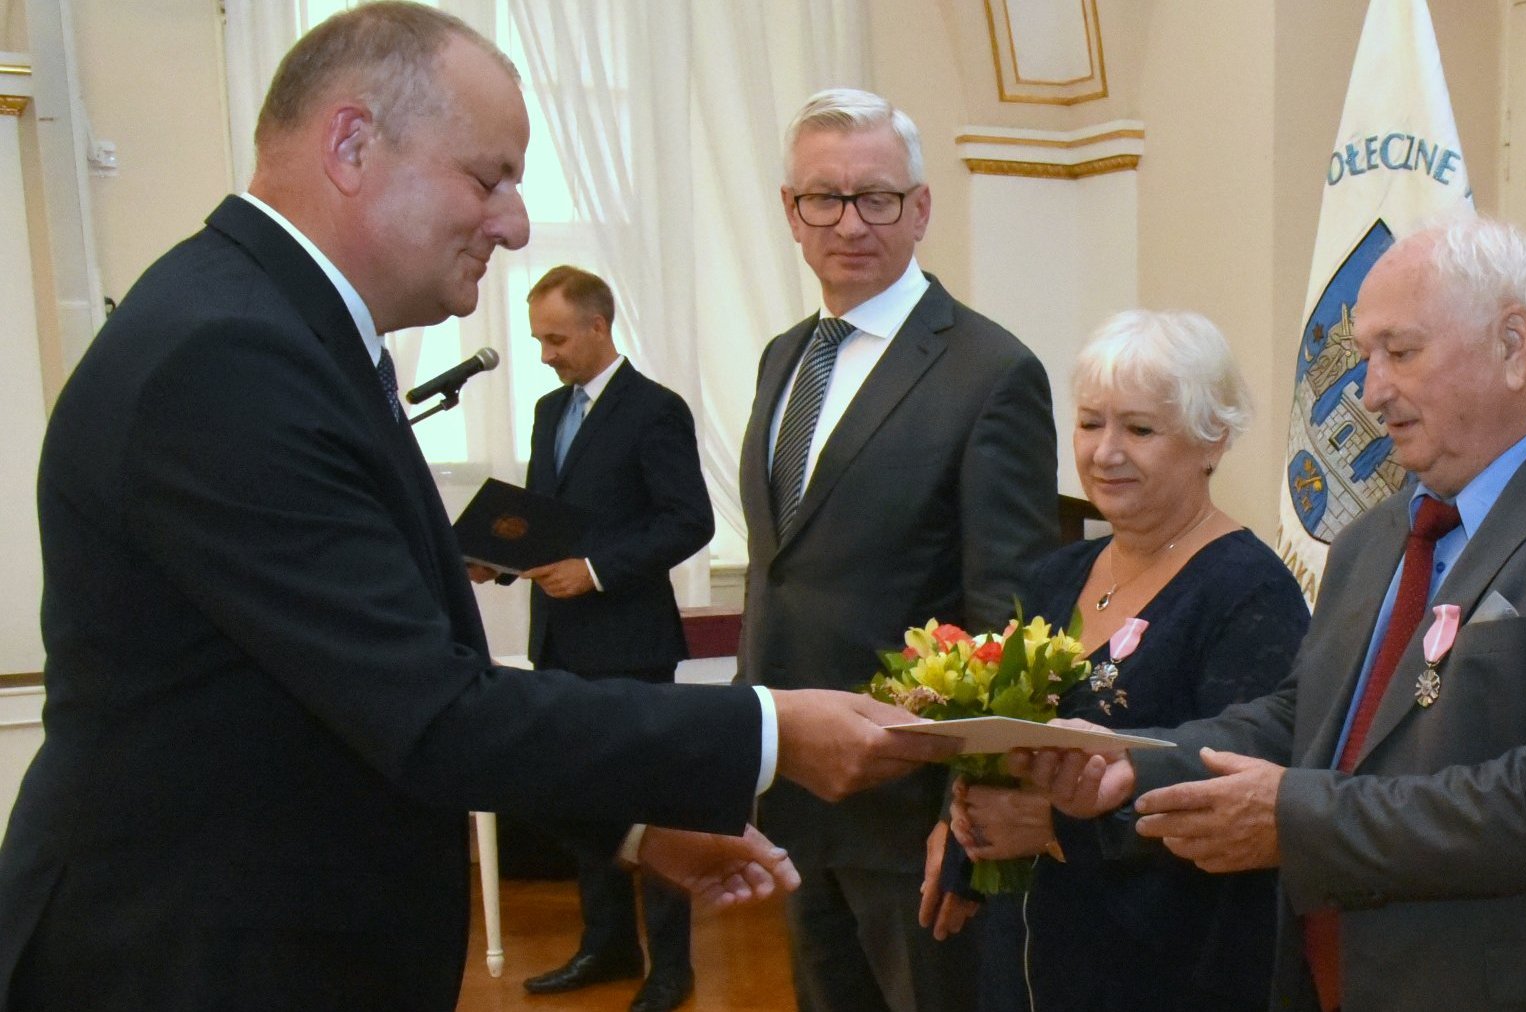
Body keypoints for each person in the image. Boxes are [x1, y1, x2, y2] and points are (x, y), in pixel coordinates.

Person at [0, 7, 950, 1010]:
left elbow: (361, 693)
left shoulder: (280, 331)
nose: (517, 223)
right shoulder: (226, 357)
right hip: (188, 958)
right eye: (489, 176)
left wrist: (627, 827)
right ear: (352, 144)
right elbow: (429, 712)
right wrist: (771, 728)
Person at [1018, 216, 1526, 1012]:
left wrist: (1296, 818)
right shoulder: (1375, 536)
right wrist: (1130, 762)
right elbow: (1304, 718)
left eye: (1401, 352)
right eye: (1365, 356)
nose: (1370, 389)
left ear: (1513, 346)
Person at [738, 88, 1059, 1012]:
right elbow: (782, 579)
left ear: (920, 208)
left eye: (876, 197)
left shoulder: (991, 373)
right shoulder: (782, 356)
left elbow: (1009, 618)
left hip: (912, 818)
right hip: (794, 800)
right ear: (791, 214)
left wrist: (968, 816)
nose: (851, 222)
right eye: (823, 199)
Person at [923, 310, 1308, 1011]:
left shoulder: (1250, 592)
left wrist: (1055, 828)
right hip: (1032, 950)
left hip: (1170, 967)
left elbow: (1236, 794)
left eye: (1139, 429)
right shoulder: (1053, 576)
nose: (1105, 452)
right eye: (1091, 423)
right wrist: (964, 818)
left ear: (1211, 439)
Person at [466, 266, 707, 1008]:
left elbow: (687, 520)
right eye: (539, 338)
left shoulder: (655, 411)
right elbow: (548, 519)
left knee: (650, 804)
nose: (545, 353)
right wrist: (498, 560)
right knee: (584, 795)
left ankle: (671, 967)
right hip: (561, 641)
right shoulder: (547, 410)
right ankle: (606, 947)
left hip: (630, 641)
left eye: (556, 338)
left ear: (599, 327)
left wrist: (596, 571)